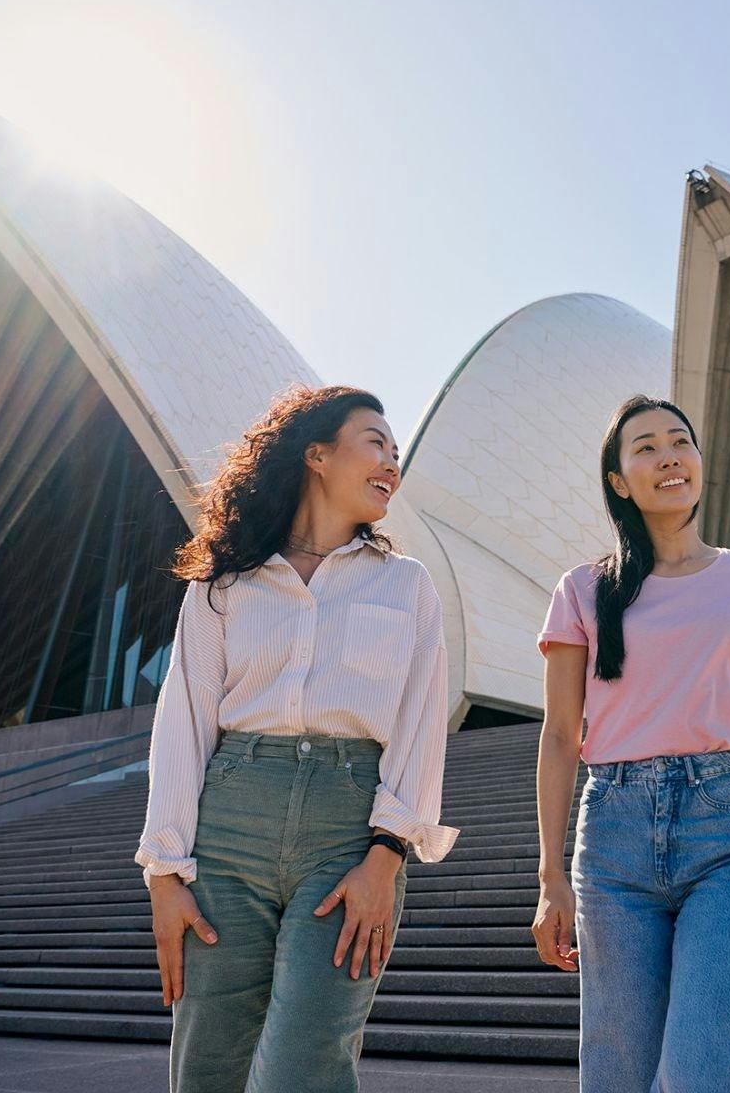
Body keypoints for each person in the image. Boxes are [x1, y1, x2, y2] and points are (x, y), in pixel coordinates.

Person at [135, 384, 458, 1093]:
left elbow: (420, 725)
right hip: (228, 832)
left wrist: (386, 857)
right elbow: (183, 724)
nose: (391, 463)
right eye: (375, 442)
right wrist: (164, 870)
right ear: (316, 453)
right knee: (207, 1067)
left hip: (348, 837)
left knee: (303, 1070)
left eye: (396, 453)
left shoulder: (406, 586)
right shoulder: (225, 583)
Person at [531, 394, 730, 1093]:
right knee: (620, 1076)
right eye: (644, 447)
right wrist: (551, 876)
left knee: (705, 1068)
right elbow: (559, 735)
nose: (669, 455)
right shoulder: (583, 590)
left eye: (680, 441)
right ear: (618, 480)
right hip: (612, 836)